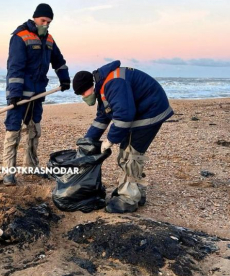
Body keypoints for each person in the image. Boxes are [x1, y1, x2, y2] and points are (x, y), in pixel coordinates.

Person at [72, 60, 174, 213]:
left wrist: (110, 141)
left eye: (82, 93)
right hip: (143, 110)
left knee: (130, 154)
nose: (83, 97)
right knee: (129, 151)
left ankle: (128, 199)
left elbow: (124, 116)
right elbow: (102, 118)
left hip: (150, 111)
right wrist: (87, 142)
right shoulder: (103, 87)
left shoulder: (113, 84)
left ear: (90, 87)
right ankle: (136, 191)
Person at [3, 3, 71, 186]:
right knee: (13, 131)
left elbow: (59, 61)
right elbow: (15, 67)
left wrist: (64, 78)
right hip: (19, 94)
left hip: (38, 94)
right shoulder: (20, 37)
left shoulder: (49, 39)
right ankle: (8, 172)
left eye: (49, 22)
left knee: (34, 129)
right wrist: (15, 94)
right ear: (35, 18)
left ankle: (31, 166)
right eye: (43, 20)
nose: (46, 24)